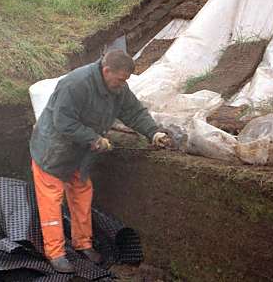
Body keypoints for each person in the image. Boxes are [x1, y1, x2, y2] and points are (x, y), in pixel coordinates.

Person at [30, 49, 171, 273]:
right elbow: (63, 121)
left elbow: (134, 112)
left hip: (80, 154)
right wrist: (94, 138)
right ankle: (55, 254)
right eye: (120, 79)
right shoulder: (76, 84)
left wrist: (153, 132)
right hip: (53, 153)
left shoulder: (117, 87)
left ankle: (83, 244)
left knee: (82, 195)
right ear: (106, 70)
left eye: (126, 80)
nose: (123, 84)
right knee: (51, 203)